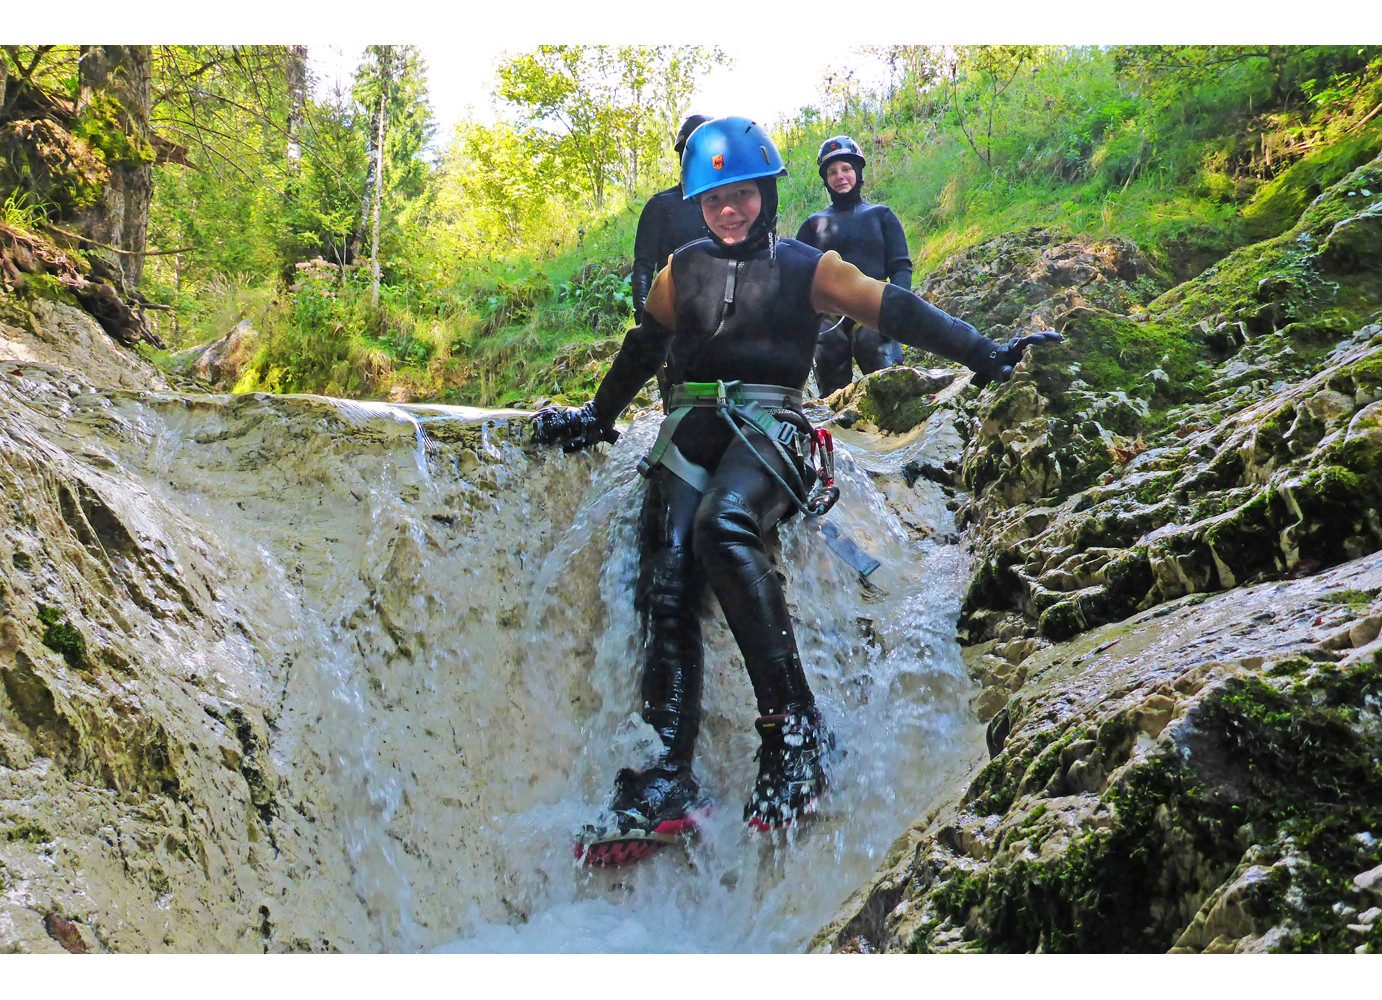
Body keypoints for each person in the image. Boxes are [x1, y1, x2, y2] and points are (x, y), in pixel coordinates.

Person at [532, 117, 1059, 866]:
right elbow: (641, 349)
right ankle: (668, 773)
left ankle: (794, 733)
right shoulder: (679, 271)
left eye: (743, 195)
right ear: (697, 201)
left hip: (770, 424)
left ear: (766, 194)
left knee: (724, 528)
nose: (730, 211)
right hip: (691, 425)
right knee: (667, 560)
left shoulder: (809, 268)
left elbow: (897, 310)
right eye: (715, 199)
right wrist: (596, 417)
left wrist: (986, 355)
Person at [795, 135, 913, 396]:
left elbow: (901, 267)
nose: (840, 176)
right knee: (828, 352)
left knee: (881, 363)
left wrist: (897, 307)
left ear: (858, 173)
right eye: (832, 172)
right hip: (829, 314)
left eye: (846, 169)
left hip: (872, 303)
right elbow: (798, 277)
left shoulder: (881, 215)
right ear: (826, 180)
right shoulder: (813, 224)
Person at [631, 114, 712, 409]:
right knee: (679, 402)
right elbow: (642, 265)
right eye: (690, 150)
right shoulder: (661, 206)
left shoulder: (725, 204)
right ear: (681, 156)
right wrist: (645, 320)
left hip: (723, 314)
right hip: (675, 316)